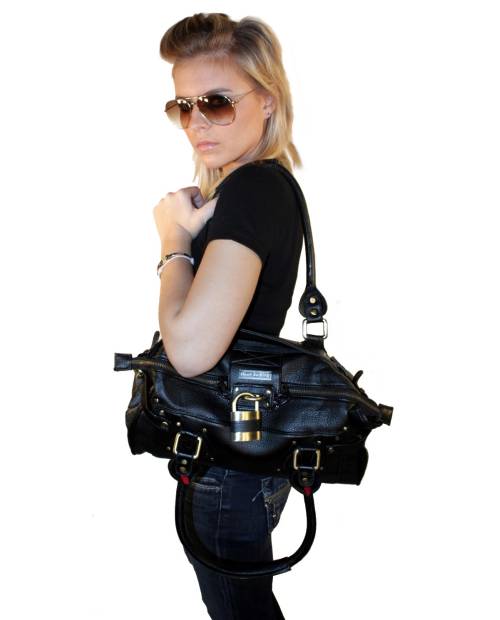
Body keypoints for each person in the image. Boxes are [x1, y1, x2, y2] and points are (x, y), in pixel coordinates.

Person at [153, 12, 305, 620]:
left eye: (216, 102)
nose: (196, 122)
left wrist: (173, 242)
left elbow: (191, 352)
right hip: (241, 450)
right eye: (183, 106)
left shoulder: (252, 191)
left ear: (267, 99)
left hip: (229, 465)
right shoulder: (254, 189)